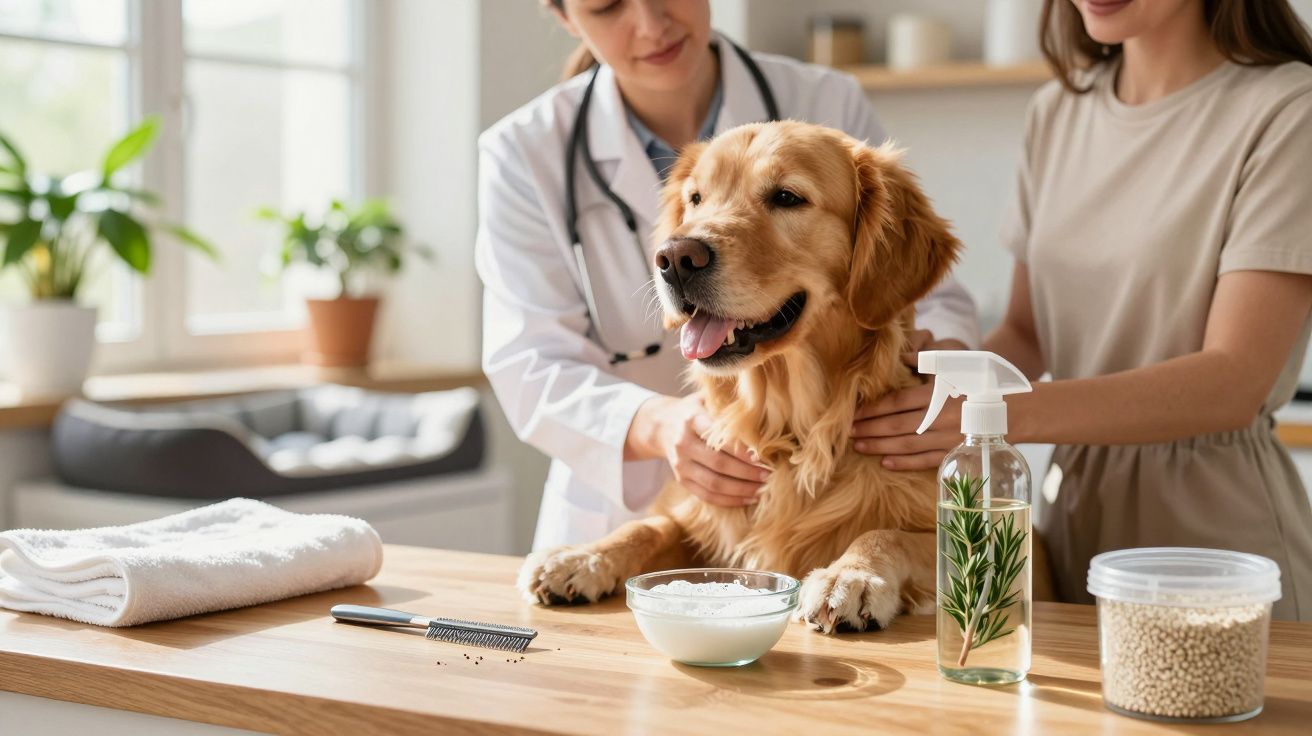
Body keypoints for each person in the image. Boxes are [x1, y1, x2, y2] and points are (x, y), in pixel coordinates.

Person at [853, 0, 1312, 620]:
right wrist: (957, 374)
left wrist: (998, 411)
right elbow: (1026, 329)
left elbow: (1234, 379)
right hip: (1070, 525)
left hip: (1215, 540)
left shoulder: (1288, 109)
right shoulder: (1059, 110)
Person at [475, 0, 980, 551]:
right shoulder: (521, 151)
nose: (650, 23)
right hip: (630, 512)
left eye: (786, 197)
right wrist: (657, 425)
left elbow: (912, 281)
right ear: (568, 18)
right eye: (606, 5)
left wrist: (944, 387)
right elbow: (529, 360)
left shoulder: (827, 100)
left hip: (859, 465)